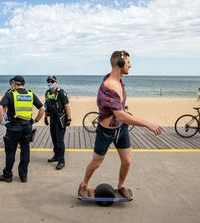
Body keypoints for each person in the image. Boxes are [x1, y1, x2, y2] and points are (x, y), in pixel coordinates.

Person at [77, 50, 164, 199]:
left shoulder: (119, 82)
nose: (131, 65)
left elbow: (120, 110)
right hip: (106, 132)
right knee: (96, 163)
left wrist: (125, 113)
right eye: (129, 62)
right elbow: (119, 114)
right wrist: (148, 124)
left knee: (127, 160)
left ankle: (121, 185)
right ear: (120, 63)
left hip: (121, 129)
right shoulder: (109, 86)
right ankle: (83, 185)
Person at [0, 75, 45, 183]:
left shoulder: (10, 95)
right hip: (27, 127)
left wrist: (2, 122)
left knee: (10, 152)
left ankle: (8, 175)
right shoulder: (30, 95)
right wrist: (35, 121)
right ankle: (23, 176)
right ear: (23, 84)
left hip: (14, 127)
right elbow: (42, 109)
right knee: (25, 151)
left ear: (14, 83)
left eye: (12, 83)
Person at [44, 75, 72, 170]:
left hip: (60, 119)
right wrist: (45, 117)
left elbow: (67, 106)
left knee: (60, 140)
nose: (50, 83)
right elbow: (47, 106)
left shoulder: (61, 93)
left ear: (56, 83)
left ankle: (61, 161)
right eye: (49, 82)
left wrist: (69, 118)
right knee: (54, 139)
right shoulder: (47, 93)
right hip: (52, 119)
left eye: (52, 82)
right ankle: (56, 156)